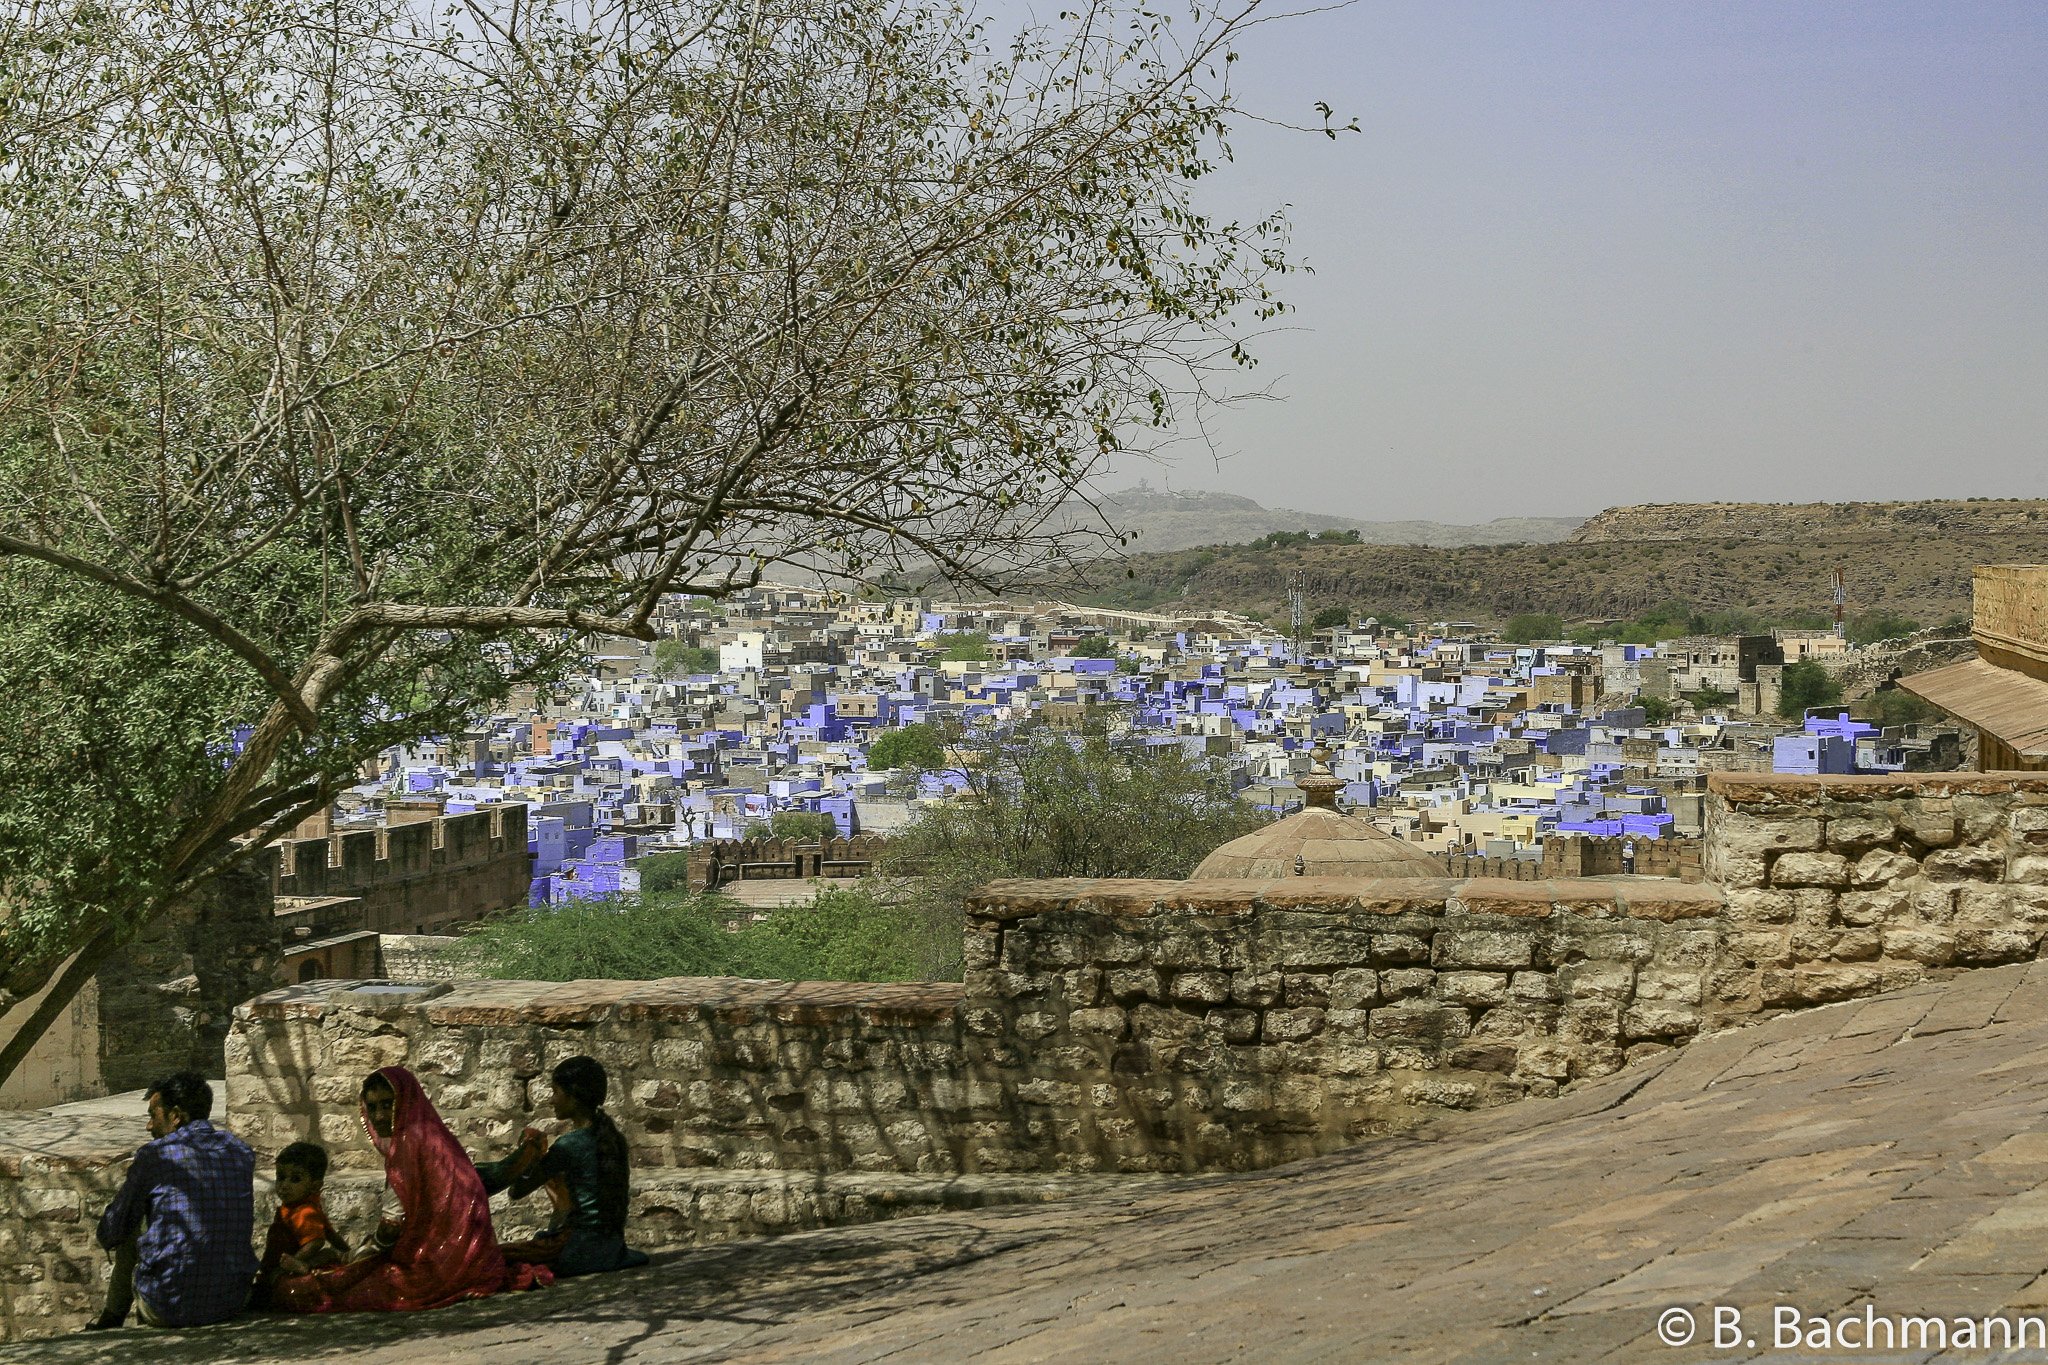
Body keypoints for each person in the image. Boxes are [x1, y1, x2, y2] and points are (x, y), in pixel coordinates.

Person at [272, 1066, 546, 1313]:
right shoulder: (434, 1137)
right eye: (373, 1107)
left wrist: (361, 1255)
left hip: (433, 1267)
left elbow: (391, 1227)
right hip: (471, 1259)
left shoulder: (407, 1147)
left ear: (405, 1102)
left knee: (301, 1291)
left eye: (387, 1105)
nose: (379, 1116)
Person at [90, 1071, 258, 1330]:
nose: (149, 1126)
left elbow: (113, 1230)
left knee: (132, 1224)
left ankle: (110, 1320)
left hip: (168, 1306)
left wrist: (112, 1230)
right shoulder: (240, 1151)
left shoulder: (155, 1156)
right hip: (233, 1300)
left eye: (152, 1116)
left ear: (176, 1115)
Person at [476, 1056, 649, 1277]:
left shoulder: (570, 1145)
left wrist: (530, 1153)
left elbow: (517, 1191)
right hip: (612, 1249)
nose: (551, 1100)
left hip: (577, 1251)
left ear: (573, 1097)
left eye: (555, 1092)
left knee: (487, 1259)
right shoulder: (616, 1140)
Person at [253, 1142, 346, 1305]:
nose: (284, 1185)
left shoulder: (303, 1211)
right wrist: (347, 1252)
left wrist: (292, 1262)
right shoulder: (299, 1207)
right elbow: (330, 1234)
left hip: (283, 1270)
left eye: (295, 1179)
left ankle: (304, 1266)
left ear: (315, 1185)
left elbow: (316, 1241)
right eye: (281, 1177)